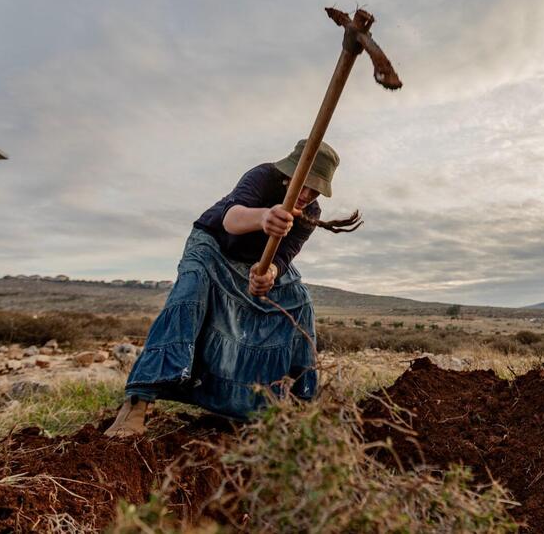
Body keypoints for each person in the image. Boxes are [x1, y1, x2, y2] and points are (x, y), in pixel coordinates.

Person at [105, 139, 359, 437]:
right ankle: (138, 402)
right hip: (211, 246)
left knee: (299, 302)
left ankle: (293, 407)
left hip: (252, 262)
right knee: (190, 293)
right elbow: (231, 219)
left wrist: (269, 274)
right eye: (304, 184)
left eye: (315, 190)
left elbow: (284, 256)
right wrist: (264, 217)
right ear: (290, 172)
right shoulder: (262, 177)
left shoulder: (310, 213)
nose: (306, 194)